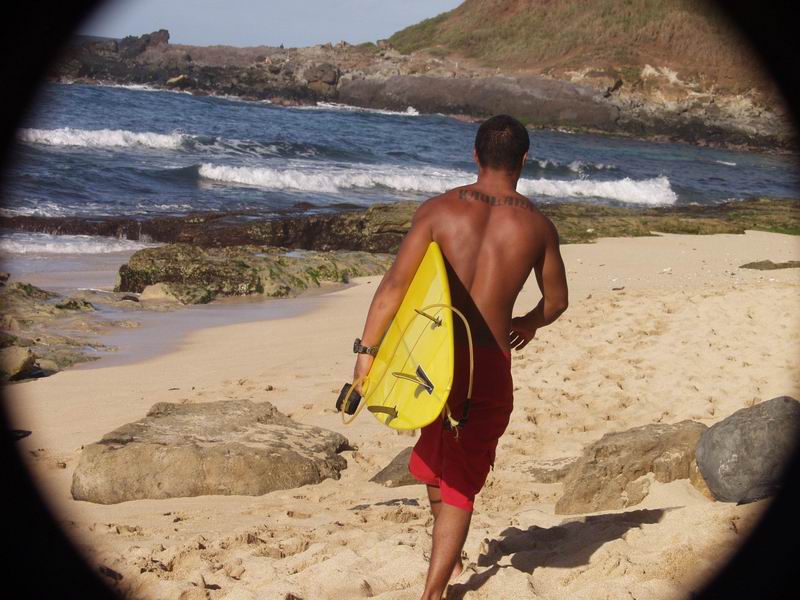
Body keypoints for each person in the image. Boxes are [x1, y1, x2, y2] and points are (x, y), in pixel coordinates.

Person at [352, 114, 569, 600]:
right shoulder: (538, 226)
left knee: (446, 469)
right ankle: (442, 574)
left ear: (474, 154)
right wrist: (527, 323)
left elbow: (394, 286)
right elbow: (556, 302)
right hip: (487, 363)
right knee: (453, 473)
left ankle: (435, 584)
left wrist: (367, 352)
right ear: (524, 160)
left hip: (432, 359)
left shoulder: (437, 212)